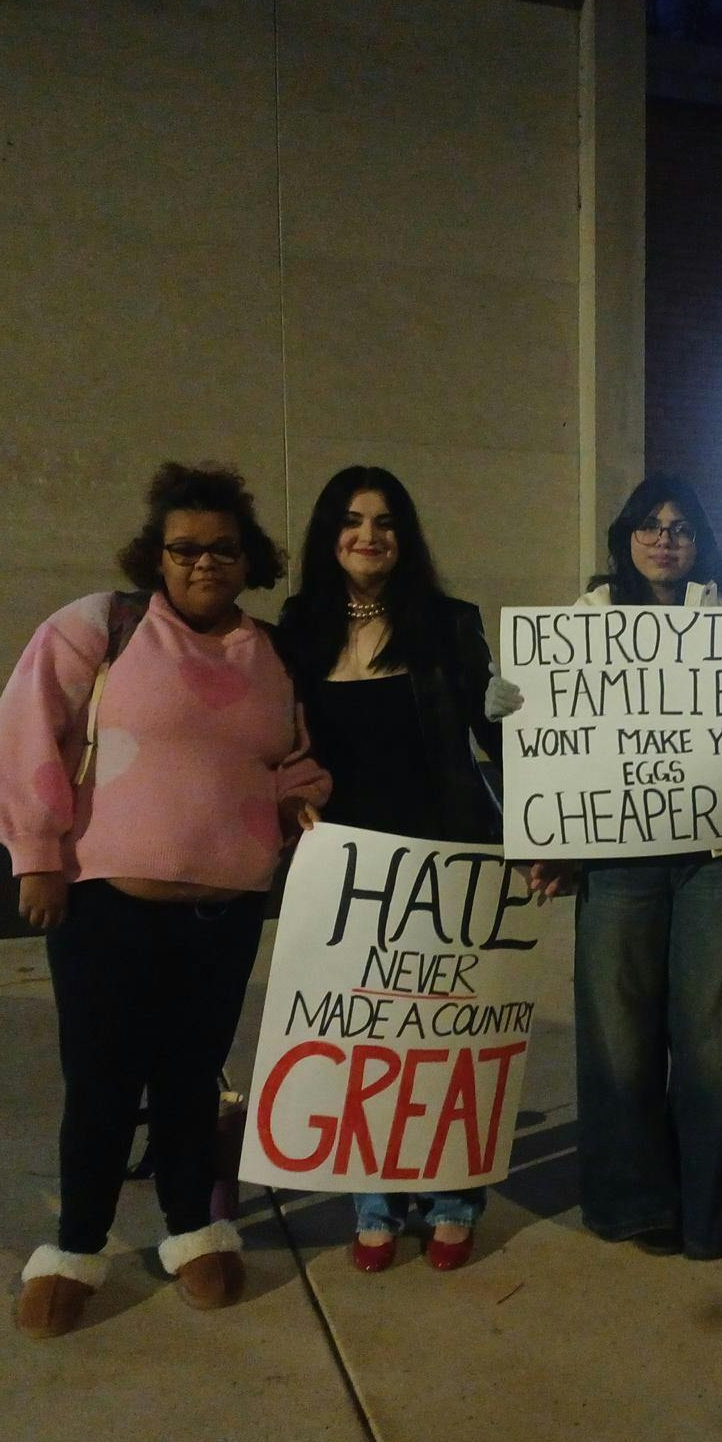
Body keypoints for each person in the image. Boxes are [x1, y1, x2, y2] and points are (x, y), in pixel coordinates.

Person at [0, 462, 328, 1339]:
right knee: (100, 1081)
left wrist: (303, 796)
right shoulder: (101, 626)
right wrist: (36, 853)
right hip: (107, 908)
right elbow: (29, 729)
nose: (203, 564)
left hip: (226, 911)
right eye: (184, 549)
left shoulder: (271, 653)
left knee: (189, 1079)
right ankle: (76, 1245)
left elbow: (290, 755)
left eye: (222, 549)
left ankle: (193, 1226)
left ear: (248, 557)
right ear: (157, 555)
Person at [489, 476, 722, 1261]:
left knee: (712, 1040)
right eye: (650, 525)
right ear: (626, 536)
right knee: (618, 1036)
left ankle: (707, 1212)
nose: (665, 538)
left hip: (715, 860)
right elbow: (557, 751)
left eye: (680, 526)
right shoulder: (581, 626)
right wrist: (514, 710)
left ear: (699, 539)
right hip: (616, 860)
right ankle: (635, 1204)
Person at [275, 465, 505, 1274]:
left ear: (405, 536)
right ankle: (372, 1201)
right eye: (351, 520)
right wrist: (288, 796)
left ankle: (452, 1201)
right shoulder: (297, 627)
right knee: (360, 1038)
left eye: (384, 521)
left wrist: (525, 712)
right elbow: (278, 743)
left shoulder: (448, 624)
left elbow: (498, 735)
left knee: (438, 1040)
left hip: (445, 857)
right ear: (327, 534)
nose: (367, 536)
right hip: (345, 865)